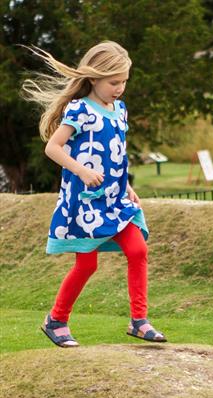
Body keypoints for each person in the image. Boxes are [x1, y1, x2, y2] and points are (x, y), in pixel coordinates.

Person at [22, 41, 166, 347]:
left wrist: (127, 185)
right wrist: (82, 171)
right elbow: (53, 148)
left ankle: (139, 321)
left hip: (115, 200)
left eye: (124, 82)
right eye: (114, 82)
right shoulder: (80, 109)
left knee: (138, 249)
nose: (120, 89)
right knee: (87, 265)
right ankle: (56, 320)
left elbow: (116, 155)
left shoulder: (120, 110)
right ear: (93, 78)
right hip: (85, 205)